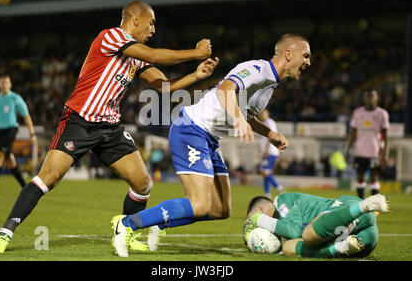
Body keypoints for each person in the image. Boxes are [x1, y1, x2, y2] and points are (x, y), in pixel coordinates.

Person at [0, 0, 217, 254]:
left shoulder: (136, 58)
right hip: (80, 121)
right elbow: (153, 55)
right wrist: (195, 53)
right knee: (49, 178)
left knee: (143, 183)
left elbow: (163, 87)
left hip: (110, 128)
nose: (153, 30)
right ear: (136, 18)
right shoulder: (110, 37)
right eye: (151, 23)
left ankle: (126, 232)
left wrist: (196, 76)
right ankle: (4, 232)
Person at [112, 33, 311, 257]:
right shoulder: (257, 69)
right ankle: (128, 224)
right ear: (288, 53)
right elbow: (225, 89)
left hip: (209, 139)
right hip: (192, 129)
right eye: (305, 55)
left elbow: (244, 112)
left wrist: (269, 133)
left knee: (220, 209)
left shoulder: (270, 86)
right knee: (199, 204)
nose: (308, 62)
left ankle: (161, 223)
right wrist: (237, 119)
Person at [243, 192, 389, 258]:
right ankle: (339, 248)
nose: (255, 223)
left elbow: (294, 230)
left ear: (261, 209)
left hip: (348, 209)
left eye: (253, 215)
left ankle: (366, 204)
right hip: (366, 238)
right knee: (289, 248)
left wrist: (257, 219)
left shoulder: (281, 200)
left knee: (308, 235)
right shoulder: (282, 228)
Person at [0, 75, 37, 198]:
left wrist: (32, 133)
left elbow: (26, 116)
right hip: (0, 131)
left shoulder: (15, 98)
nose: (4, 84)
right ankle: (27, 190)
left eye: (6, 82)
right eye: (2, 82)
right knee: (10, 161)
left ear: (10, 85)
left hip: (11, 130)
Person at [345, 88, 389, 199]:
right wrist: (347, 150)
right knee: (360, 177)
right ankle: (361, 202)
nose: (370, 98)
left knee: (374, 177)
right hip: (360, 151)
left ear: (377, 98)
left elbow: (385, 136)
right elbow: (353, 133)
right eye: (367, 96)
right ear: (364, 98)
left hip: (375, 152)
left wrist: (385, 154)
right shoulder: (358, 112)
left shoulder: (382, 114)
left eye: (372, 96)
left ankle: (374, 205)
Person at [257, 109, 283, 198]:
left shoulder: (269, 122)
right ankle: (267, 193)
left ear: (267, 113)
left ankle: (278, 186)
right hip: (267, 151)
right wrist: (261, 151)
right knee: (264, 171)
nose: (261, 115)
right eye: (261, 113)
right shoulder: (264, 122)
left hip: (270, 151)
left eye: (263, 113)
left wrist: (267, 150)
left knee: (264, 171)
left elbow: (271, 136)